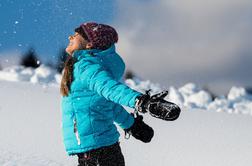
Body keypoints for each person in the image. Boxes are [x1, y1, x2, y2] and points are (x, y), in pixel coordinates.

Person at [60, 22, 180, 166]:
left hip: (98, 152)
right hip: (100, 150)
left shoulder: (86, 67)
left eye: (76, 35)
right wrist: (132, 125)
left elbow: (110, 88)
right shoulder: (83, 67)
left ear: (89, 44)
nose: (70, 36)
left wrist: (142, 102)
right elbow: (107, 105)